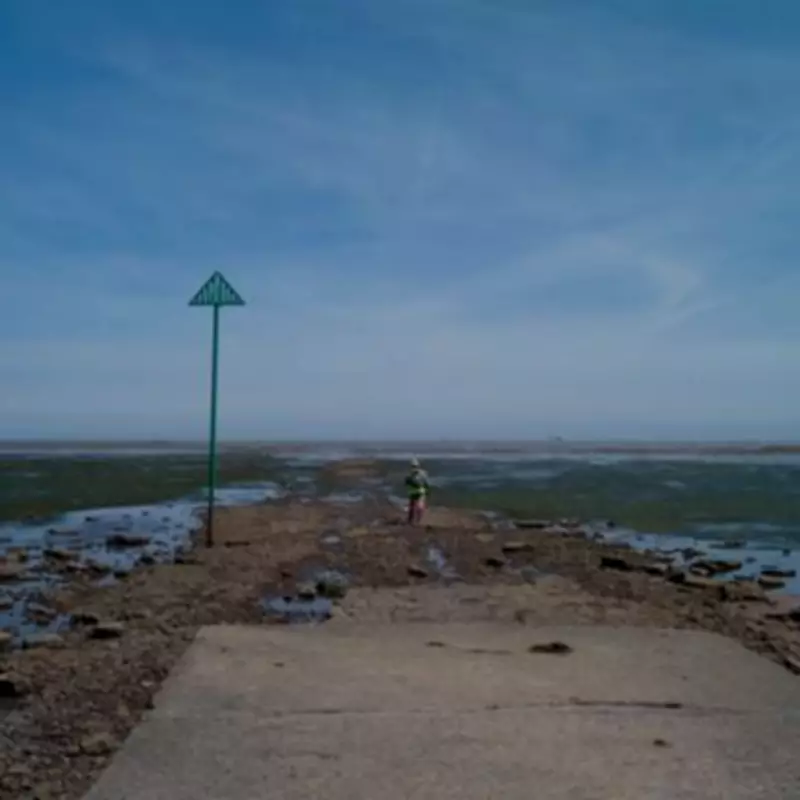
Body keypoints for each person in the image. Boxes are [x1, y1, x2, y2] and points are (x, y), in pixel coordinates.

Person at [405, 457, 430, 525]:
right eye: (413, 466)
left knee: (420, 507)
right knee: (411, 508)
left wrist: (427, 491)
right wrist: (408, 482)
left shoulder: (423, 474)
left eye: (415, 466)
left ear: (418, 466)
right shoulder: (409, 475)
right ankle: (410, 520)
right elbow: (406, 484)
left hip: (420, 492)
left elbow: (426, 483)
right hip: (412, 493)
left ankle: (418, 520)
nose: (414, 468)